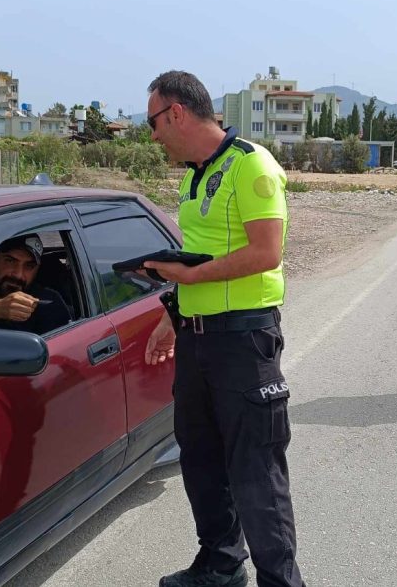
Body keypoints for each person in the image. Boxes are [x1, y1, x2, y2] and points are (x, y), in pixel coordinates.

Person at [142, 70, 305, 587]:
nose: (152, 136)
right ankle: (220, 562)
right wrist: (177, 314)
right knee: (201, 460)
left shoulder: (251, 165)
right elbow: (205, 253)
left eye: (152, 123)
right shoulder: (195, 173)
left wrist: (191, 275)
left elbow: (266, 252)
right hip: (198, 339)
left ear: (176, 113)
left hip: (243, 342)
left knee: (256, 471)